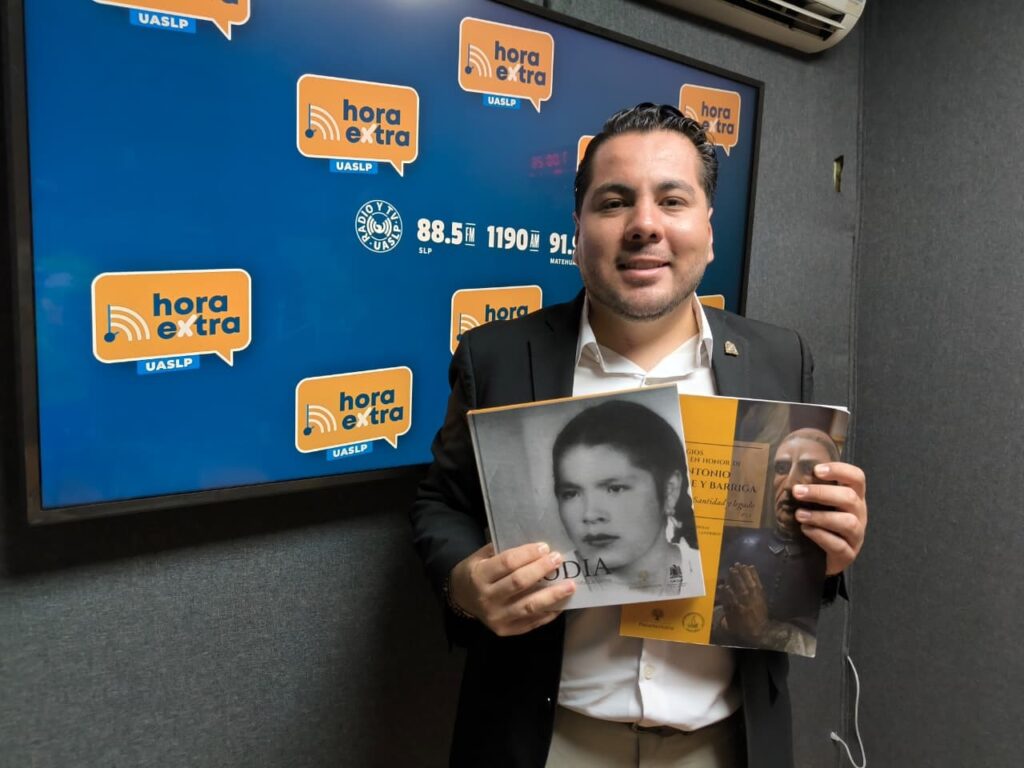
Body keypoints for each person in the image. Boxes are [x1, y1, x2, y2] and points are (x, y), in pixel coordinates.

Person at [410, 103, 868, 768]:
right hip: (544, 738)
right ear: (578, 228)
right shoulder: (498, 358)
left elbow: (790, 557)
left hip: (724, 744)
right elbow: (440, 504)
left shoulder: (779, 359)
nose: (644, 224)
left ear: (709, 230)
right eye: (615, 201)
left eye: (672, 201)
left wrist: (827, 554)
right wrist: (464, 585)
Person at [713, 428, 842, 656]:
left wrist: (765, 631)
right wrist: (727, 622)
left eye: (808, 469)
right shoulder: (742, 546)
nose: (790, 483)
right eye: (781, 469)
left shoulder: (834, 565)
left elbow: (829, 645)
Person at [551, 399, 701, 595]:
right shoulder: (545, 588)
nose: (590, 514)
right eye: (571, 494)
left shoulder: (711, 575)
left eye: (615, 489)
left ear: (669, 490)